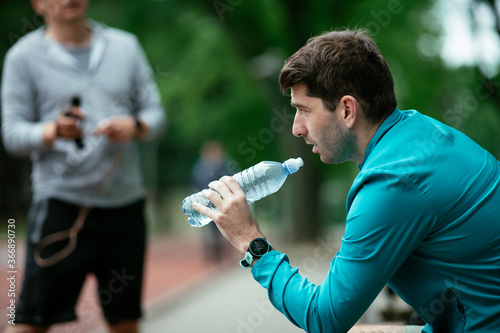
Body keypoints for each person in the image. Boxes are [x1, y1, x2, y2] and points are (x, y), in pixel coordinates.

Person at [193, 29, 500, 332]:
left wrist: (251, 242)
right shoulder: (419, 132)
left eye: (303, 111)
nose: (297, 129)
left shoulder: (392, 182)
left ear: (347, 110)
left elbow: (323, 318)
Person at [1, 0, 165, 332]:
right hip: (60, 206)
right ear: (38, 4)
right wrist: (52, 130)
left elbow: (156, 114)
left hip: (125, 207)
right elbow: (11, 133)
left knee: (126, 320)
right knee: (31, 320)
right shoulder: (23, 56)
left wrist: (135, 127)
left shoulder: (125, 46)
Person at [190, 141, 233, 262]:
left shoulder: (224, 166)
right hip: (206, 203)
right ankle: (213, 254)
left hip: (221, 202)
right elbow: (194, 183)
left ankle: (226, 252)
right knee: (210, 229)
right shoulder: (199, 168)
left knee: (225, 226)